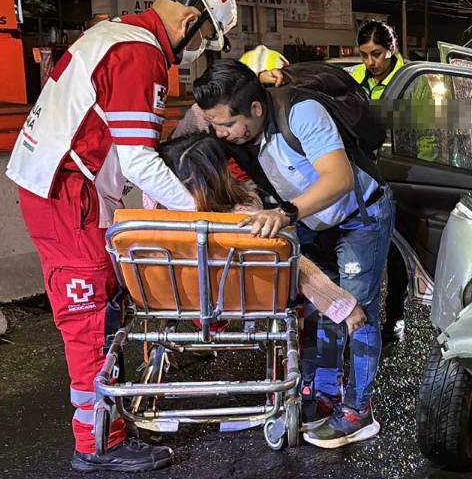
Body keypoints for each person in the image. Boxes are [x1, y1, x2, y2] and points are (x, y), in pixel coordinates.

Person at [5, 0, 237, 473]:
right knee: (87, 317)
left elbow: (127, 148)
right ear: (191, 21)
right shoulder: (141, 54)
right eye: (202, 40)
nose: (196, 52)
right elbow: (137, 159)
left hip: (67, 188)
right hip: (68, 194)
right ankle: (97, 443)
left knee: (106, 302)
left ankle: (105, 415)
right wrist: (198, 212)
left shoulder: (115, 35)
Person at [193, 59, 395, 448]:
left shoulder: (301, 113)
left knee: (356, 309)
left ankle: (358, 410)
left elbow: (340, 178)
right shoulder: (231, 123)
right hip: (312, 220)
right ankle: (324, 394)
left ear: (255, 109)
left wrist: (285, 214)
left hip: (358, 215)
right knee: (323, 306)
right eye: (214, 125)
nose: (220, 133)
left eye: (226, 125)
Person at [155, 131, 367, 336]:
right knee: (286, 254)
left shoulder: (152, 217)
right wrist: (344, 307)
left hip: (173, 293)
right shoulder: (246, 217)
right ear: (220, 173)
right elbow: (298, 267)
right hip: (244, 294)